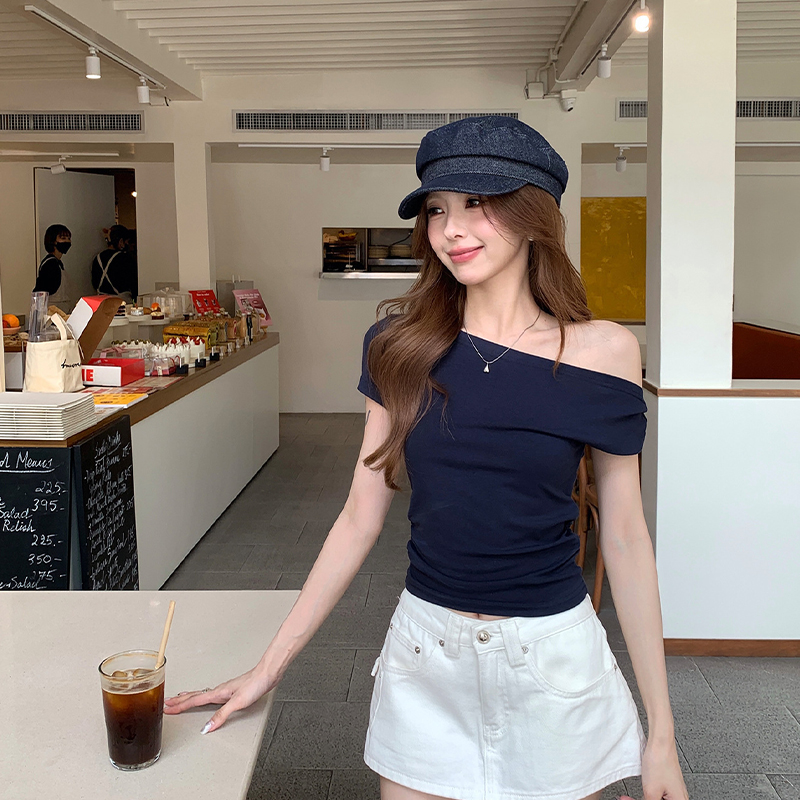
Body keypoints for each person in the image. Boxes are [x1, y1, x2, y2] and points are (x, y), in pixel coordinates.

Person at [164, 117, 689, 800]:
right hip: (426, 658)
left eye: (478, 203)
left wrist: (661, 735)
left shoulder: (603, 352)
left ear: (533, 215)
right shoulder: (397, 346)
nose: (451, 229)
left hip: (555, 660)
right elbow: (359, 517)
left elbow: (624, 537)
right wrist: (269, 666)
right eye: (437, 209)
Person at [92, 224, 138, 303]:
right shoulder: (124, 258)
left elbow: (94, 282)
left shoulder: (97, 258)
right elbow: (133, 283)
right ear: (121, 241)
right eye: (127, 242)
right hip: (122, 302)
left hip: (102, 302)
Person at [33, 224, 71, 296]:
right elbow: (40, 291)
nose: (67, 241)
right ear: (53, 241)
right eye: (63, 238)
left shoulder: (58, 263)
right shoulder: (50, 265)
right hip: (52, 303)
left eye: (69, 238)